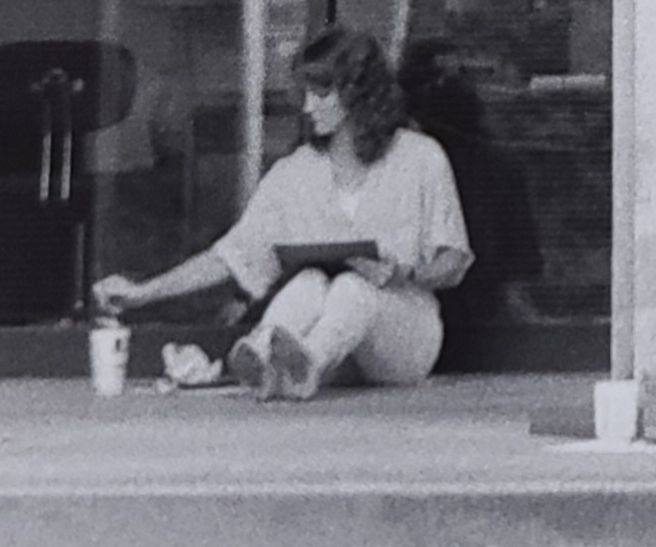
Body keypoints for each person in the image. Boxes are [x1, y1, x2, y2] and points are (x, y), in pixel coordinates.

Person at [92, 24, 473, 400]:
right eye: (305, 93)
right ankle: (262, 353)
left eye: (321, 93)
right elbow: (231, 256)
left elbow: (454, 260)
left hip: (402, 340)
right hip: (335, 352)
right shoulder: (294, 173)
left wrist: (402, 274)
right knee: (308, 282)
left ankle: (305, 363)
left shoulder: (420, 157)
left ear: (359, 92)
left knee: (353, 287)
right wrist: (144, 293)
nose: (308, 107)